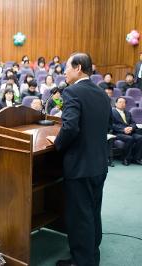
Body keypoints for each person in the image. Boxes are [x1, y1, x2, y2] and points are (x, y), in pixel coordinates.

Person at [49, 53, 111, 266]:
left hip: (80, 166)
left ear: (78, 68)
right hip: (99, 164)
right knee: (93, 211)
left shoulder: (73, 92)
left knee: (79, 216)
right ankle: (92, 256)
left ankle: (82, 261)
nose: (64, 71)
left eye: (66, 67)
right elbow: (105, 125)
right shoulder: (102, 93)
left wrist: (56, 143)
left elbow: (70, 127)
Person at [111, 97, 142, 166]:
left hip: (130, 132)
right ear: (116, 103)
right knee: (129, 139)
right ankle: (126, 158)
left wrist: (131, 128)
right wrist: (123, 129)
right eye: (120, 102)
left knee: (140, 138)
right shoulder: (112, 112)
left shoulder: (128, 113)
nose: (122, 104)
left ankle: (137, 158)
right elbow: (112, 125)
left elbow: (134, 123)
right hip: (118, 133)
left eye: (124, 102)